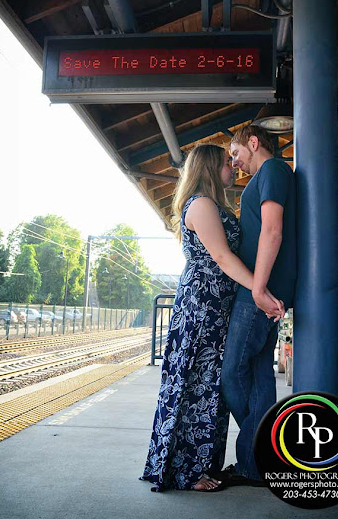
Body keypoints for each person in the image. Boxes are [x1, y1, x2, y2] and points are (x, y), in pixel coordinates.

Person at [140, 143, 283, 493]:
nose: (231, 168)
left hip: (216, 305)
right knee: (195, 385)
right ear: (208, 168)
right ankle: (186, 473)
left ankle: (201, 465)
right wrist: (258, 290)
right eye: (225, 163)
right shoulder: (201, 205)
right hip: (201, 306)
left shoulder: (214, 204)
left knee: (209, 387)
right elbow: (220, 256)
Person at [217, 124, 296, 487]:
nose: (234, 162)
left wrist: (259, 287)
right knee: (261, 375)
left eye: (235, 153)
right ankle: (257, 462)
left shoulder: (273, 170)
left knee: (231, 371)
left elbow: (272, 230)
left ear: (253, 142)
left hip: (258, 294)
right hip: (260, 291)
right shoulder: (268, 174)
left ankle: (259, 449)